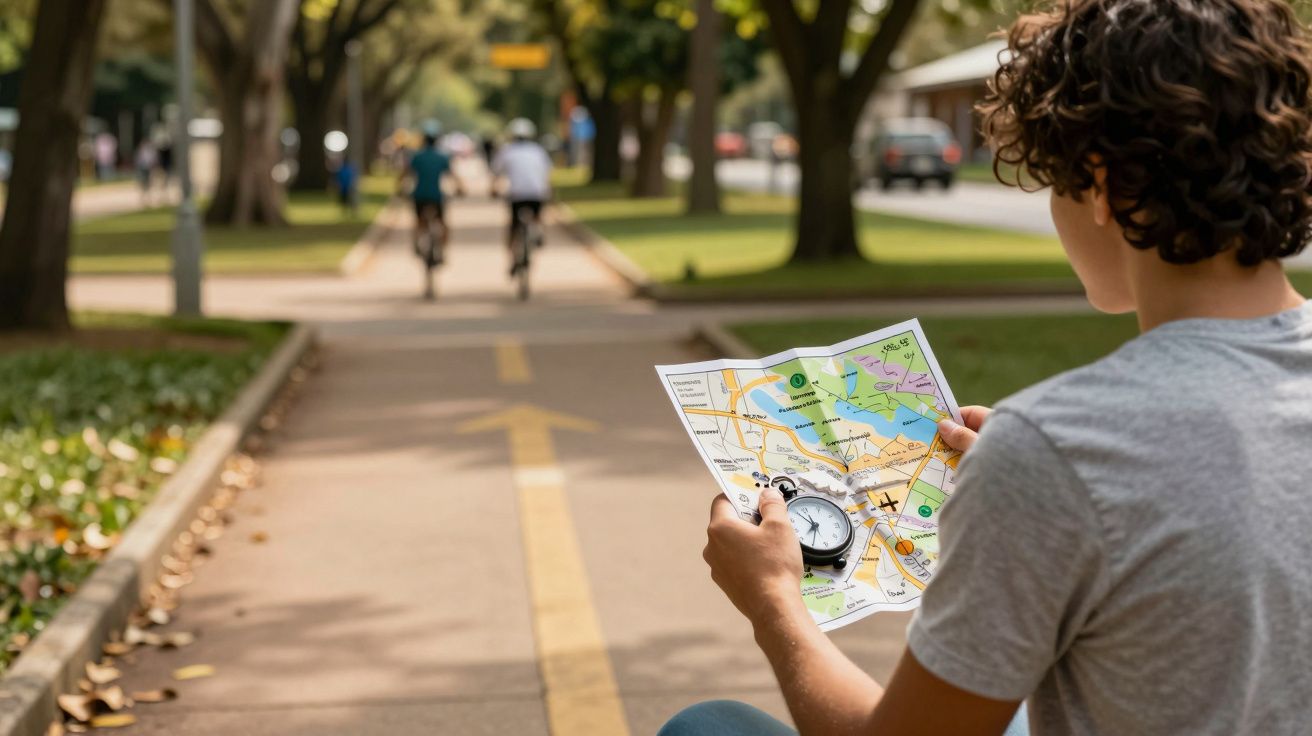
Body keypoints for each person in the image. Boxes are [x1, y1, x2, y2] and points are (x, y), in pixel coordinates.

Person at [663, 1, 1312, 735]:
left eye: (1052, 179)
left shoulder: (1057, 451)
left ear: (1100, 184)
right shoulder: (1059, 453)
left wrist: (775, 600)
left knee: (711, 724)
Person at [491, 118, 552, 276]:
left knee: (513, 226)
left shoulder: (507, 150)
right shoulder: (538, 151)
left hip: (516, 194)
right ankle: (539, 231)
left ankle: (512, 257)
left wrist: (493, 189)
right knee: (538, 215)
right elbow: (546, 172)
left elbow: (496, 172)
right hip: (537, 194)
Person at [397, 122, 459, 264]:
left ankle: (416, 244)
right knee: (443, 224)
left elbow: (405, 174)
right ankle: (443, 250)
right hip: (437, 196)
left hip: (419, 195)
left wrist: (399, 189)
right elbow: (453, 176)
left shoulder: (416, 157)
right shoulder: (442, 157)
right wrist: (460, 189)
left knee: (419, 222)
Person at [134, 139, 157, 206]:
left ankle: (148, 195)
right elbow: (138, 161)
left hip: (148, 168)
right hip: (142, 168)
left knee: (148, 182)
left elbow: (153, 160)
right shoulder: (140, 152)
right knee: (143, 182)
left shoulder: (150, 152)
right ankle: (143, 196)